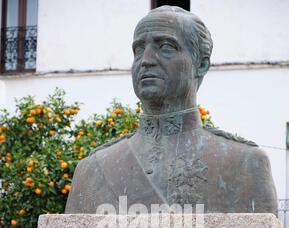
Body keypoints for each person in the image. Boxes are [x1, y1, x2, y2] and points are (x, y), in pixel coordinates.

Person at [65, 5, 277, 215]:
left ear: (201, 64)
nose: (146, 60)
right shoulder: (92, 171)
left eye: (166, 46)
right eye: (139, 49)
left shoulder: (245, 164)